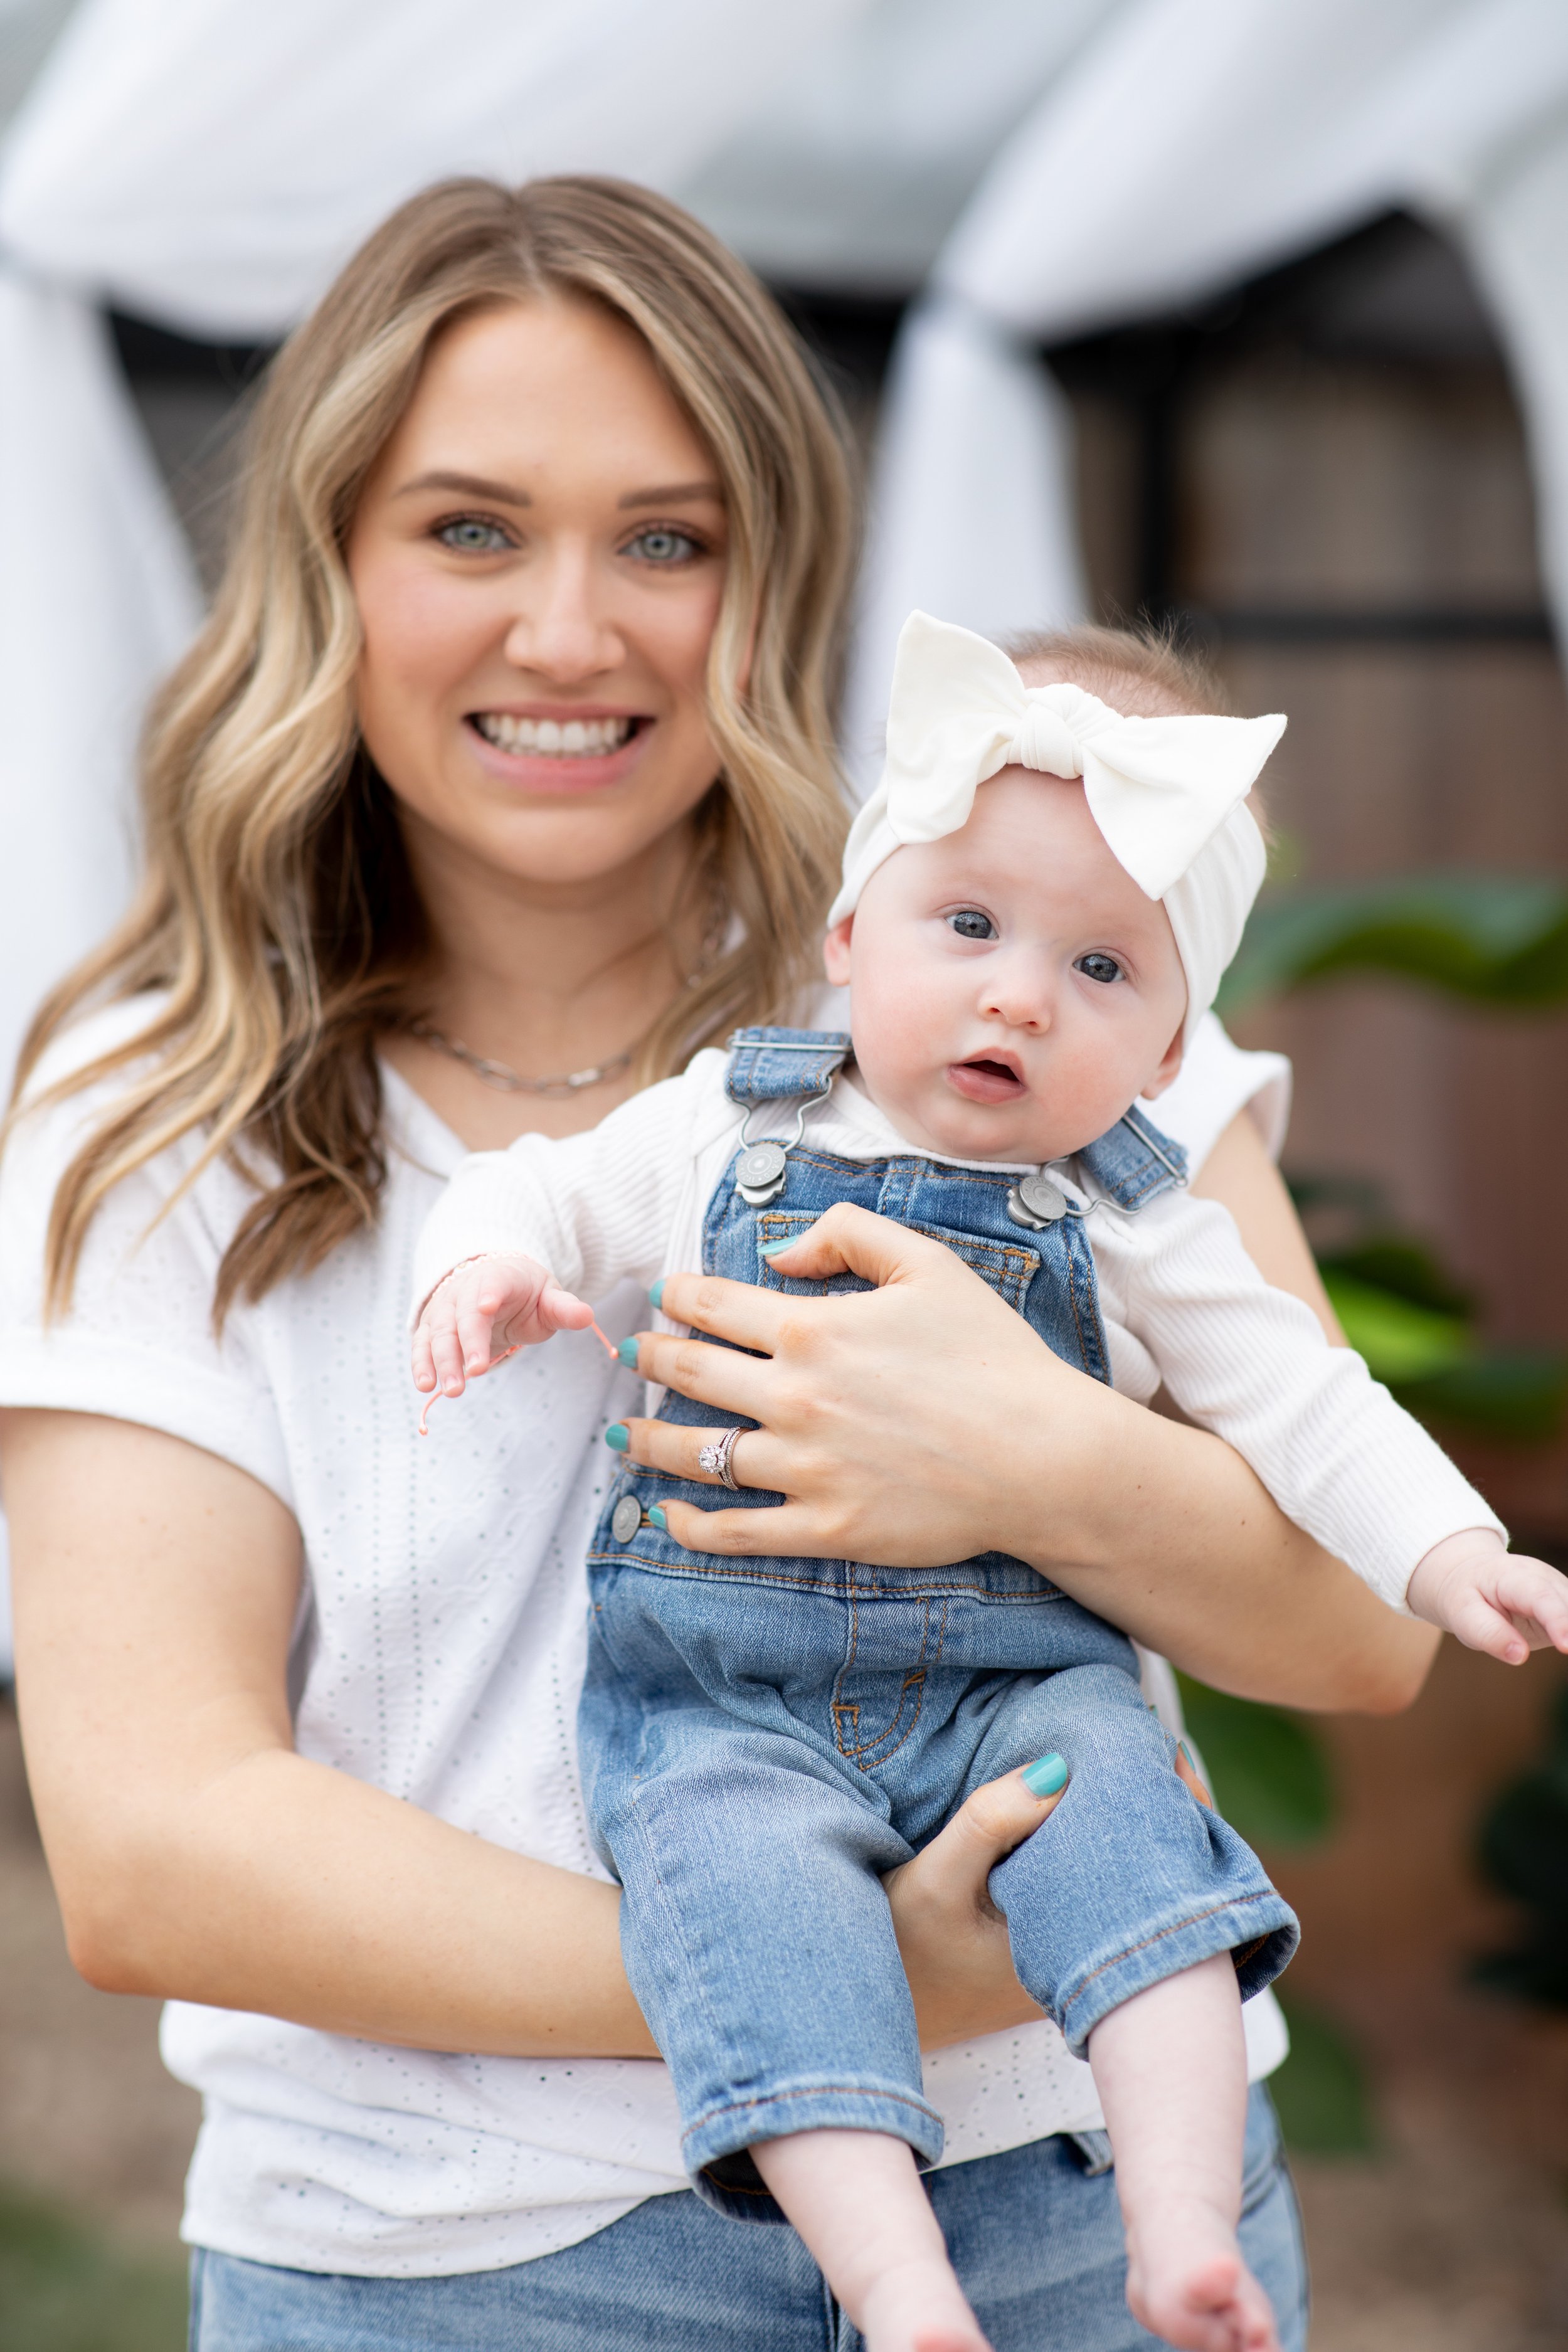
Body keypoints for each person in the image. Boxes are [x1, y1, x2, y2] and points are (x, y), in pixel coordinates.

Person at [0, 174, 1438, 2352]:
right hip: (464, 2271)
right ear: (327, 572)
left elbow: (1357, 1639)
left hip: (1084, 2230)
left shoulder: (1001, 987)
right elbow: (154, 1844)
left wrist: (1032, 1459)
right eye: (469, 529)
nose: (572, 631)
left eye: (665, 540)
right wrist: (860, 1978)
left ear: (775, 589)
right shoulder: (158, 1098)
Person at [410, 612, 1567, 2352]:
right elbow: (539, 1187)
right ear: (847, 938)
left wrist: (1451, 1545)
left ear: (1171, 1053)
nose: (1019, 992)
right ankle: (900, 2286)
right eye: (968, 927)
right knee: (746, 1915)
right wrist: (482, 1269)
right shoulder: (724, 1125)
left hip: (1018, 1690)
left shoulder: (1141, 1214)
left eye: (1102, 970)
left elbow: (1311, 1410)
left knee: (1147, 1868)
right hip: (722, 1705)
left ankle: (1178, 2226)